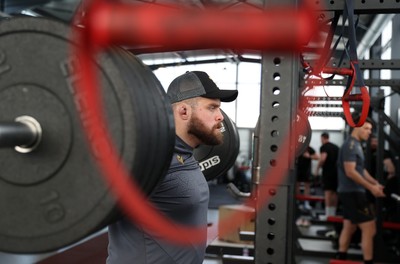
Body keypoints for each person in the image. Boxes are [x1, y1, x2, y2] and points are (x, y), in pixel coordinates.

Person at [106, 71, 238, 264]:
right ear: (183, 111)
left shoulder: (185, 153)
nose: (220, 117)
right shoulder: (149, 158)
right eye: (212, 108)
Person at [336, 116, 385, 264]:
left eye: (370, 129)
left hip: (349, 192)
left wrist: (376, 183)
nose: (369, 132)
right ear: (356, 127)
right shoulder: (350, 145)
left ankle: (341, 258)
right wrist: (371, 188)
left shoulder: (356, 145)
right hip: (353, 193)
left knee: (349, 227)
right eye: (366, 128)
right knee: (370, 229)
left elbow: (360, 170)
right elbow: (350, 171)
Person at [315, 132, 339, 220]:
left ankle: (328, 215)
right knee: (334, 193)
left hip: (328, 173)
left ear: (323, 138)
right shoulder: (336, 147)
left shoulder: (324, 147)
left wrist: (317, 170)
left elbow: (323, 159)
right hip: (336, 173)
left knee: (328, 193)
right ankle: (333, 214)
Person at [296, 145, 319, 226]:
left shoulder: (309, 148)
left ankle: (306, 203)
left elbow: (317, 157)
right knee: (297, 185)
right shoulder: (297, 147)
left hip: (306, 171)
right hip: (297, 170)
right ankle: (298, 201)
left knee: (307, 186)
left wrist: (309, 156)